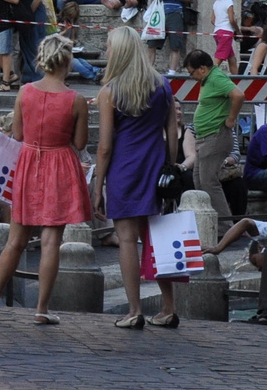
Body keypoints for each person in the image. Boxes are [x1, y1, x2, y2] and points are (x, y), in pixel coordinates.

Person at [0, 34, 91, 324]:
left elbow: (20, 134)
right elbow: (79, 142)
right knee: (51, 242)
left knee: (15, 240)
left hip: (28, 163)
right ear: (67, 61)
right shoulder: (75, 100)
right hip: (59, 164)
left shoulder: (25, 92)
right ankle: (41, 309)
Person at [90, 25, 181, 330]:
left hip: (124, 169)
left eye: (110, 46)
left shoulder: (110, 91)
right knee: (157, 239)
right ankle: (168, 307)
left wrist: (98, 185)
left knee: (127, 240)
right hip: (155, 165)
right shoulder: (163, 86)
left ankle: (134, 310)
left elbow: (104, 147)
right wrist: (170, 164)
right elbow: (172, 133)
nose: (108, 51)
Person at [186, 50, 243, 231]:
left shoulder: (216, 78)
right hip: (205, 138)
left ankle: (225, 227)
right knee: (199, 181)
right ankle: (208, 223)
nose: (191, 77)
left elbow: (238, 95)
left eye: (192, 72)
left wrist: (231, 119)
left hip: (215, 136)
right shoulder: (209, 79)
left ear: (202, 69)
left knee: (209, 182)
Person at [152, 0, 194, 75]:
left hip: (176, 12)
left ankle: (172, 72)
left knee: (175, 44)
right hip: (160, 13)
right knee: (152, 43)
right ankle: (149, 70)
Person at [211, 0, 239, 74]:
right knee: (219, 58)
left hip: (217, 32)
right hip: (226, 33)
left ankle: (237, 77)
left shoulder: (216, 3)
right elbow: (232, 20)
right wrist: (238, 30)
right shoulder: (229, 2)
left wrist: (220, 24)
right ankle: (208, 76)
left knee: (232, 59)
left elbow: (212, 20)